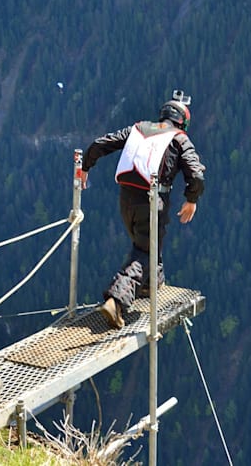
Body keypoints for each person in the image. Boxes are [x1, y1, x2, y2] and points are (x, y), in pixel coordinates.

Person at [79, 90, 206, 328]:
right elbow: (196, 174)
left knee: (147, 246)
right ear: (182, 121)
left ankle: (149, 285)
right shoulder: (179, 139)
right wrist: (191, 199)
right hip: (152, 202)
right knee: (146, 252)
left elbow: (101, 144)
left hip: (126, 200)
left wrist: (85, 166)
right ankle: (116, 300)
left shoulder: (137, 129)